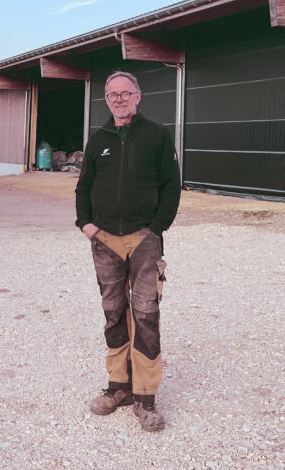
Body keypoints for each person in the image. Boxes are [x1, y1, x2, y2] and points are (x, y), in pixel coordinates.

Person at [75, 70, 181, 431]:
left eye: (125, 93)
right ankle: (118, 387)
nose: (119, 99)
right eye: (112, 95)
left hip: (144, 238)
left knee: (146, 313)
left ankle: (146, 398)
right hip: (105, 239)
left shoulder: (157, 135)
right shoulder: (98, 139)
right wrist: (87, 226)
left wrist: (156, 229)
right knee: (113, 311)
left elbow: (171, 187)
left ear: (138, 96)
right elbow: (83, 186)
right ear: (106, 100)